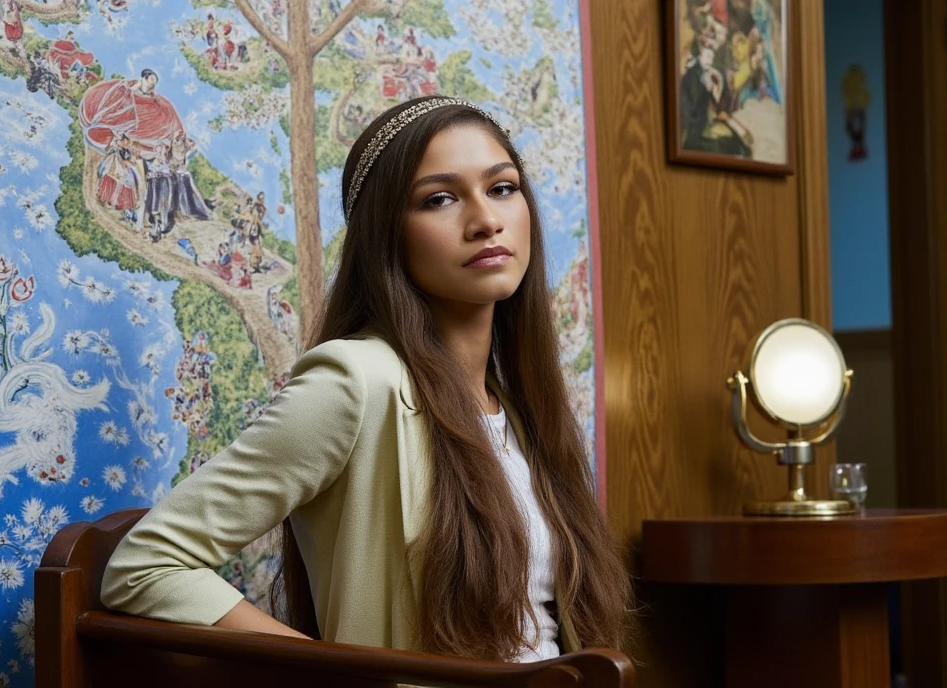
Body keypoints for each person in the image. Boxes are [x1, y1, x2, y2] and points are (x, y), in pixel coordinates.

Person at [100, 96, 631, 663]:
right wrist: (341, 677)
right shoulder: (355, 382)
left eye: (502, 188)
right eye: (441, 199)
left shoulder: (516, 409)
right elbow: (145, 565)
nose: (486, 220)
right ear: (386, 234)